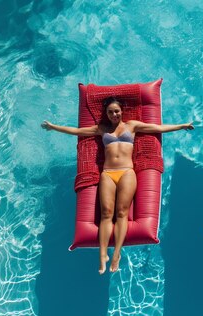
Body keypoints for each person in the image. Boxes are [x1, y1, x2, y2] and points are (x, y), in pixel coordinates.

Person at [42, 97, 194, 274]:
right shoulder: (102, 129)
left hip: (127, 172)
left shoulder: (132, 126)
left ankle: (117, 254)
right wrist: (53, 127)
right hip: (108, 173)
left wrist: (181, 126)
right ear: (106, 114)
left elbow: (158, 128)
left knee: (122, 213)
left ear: (122, 111)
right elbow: (77, 131)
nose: (114, 114)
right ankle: (102, 255)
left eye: (117, 111)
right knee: (106, 213)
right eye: (110, 112)